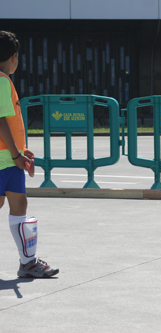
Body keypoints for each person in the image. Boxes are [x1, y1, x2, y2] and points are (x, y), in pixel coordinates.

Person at [0, 31, 59, 278]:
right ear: (14, 57)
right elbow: (1, 121)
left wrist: (20, 151)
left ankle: (28, 262)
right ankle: (28, 262)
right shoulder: (2, 81)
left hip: (9, 159)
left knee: (19, 205)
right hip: (6, 160)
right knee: (17, 206)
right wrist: (16, 155)